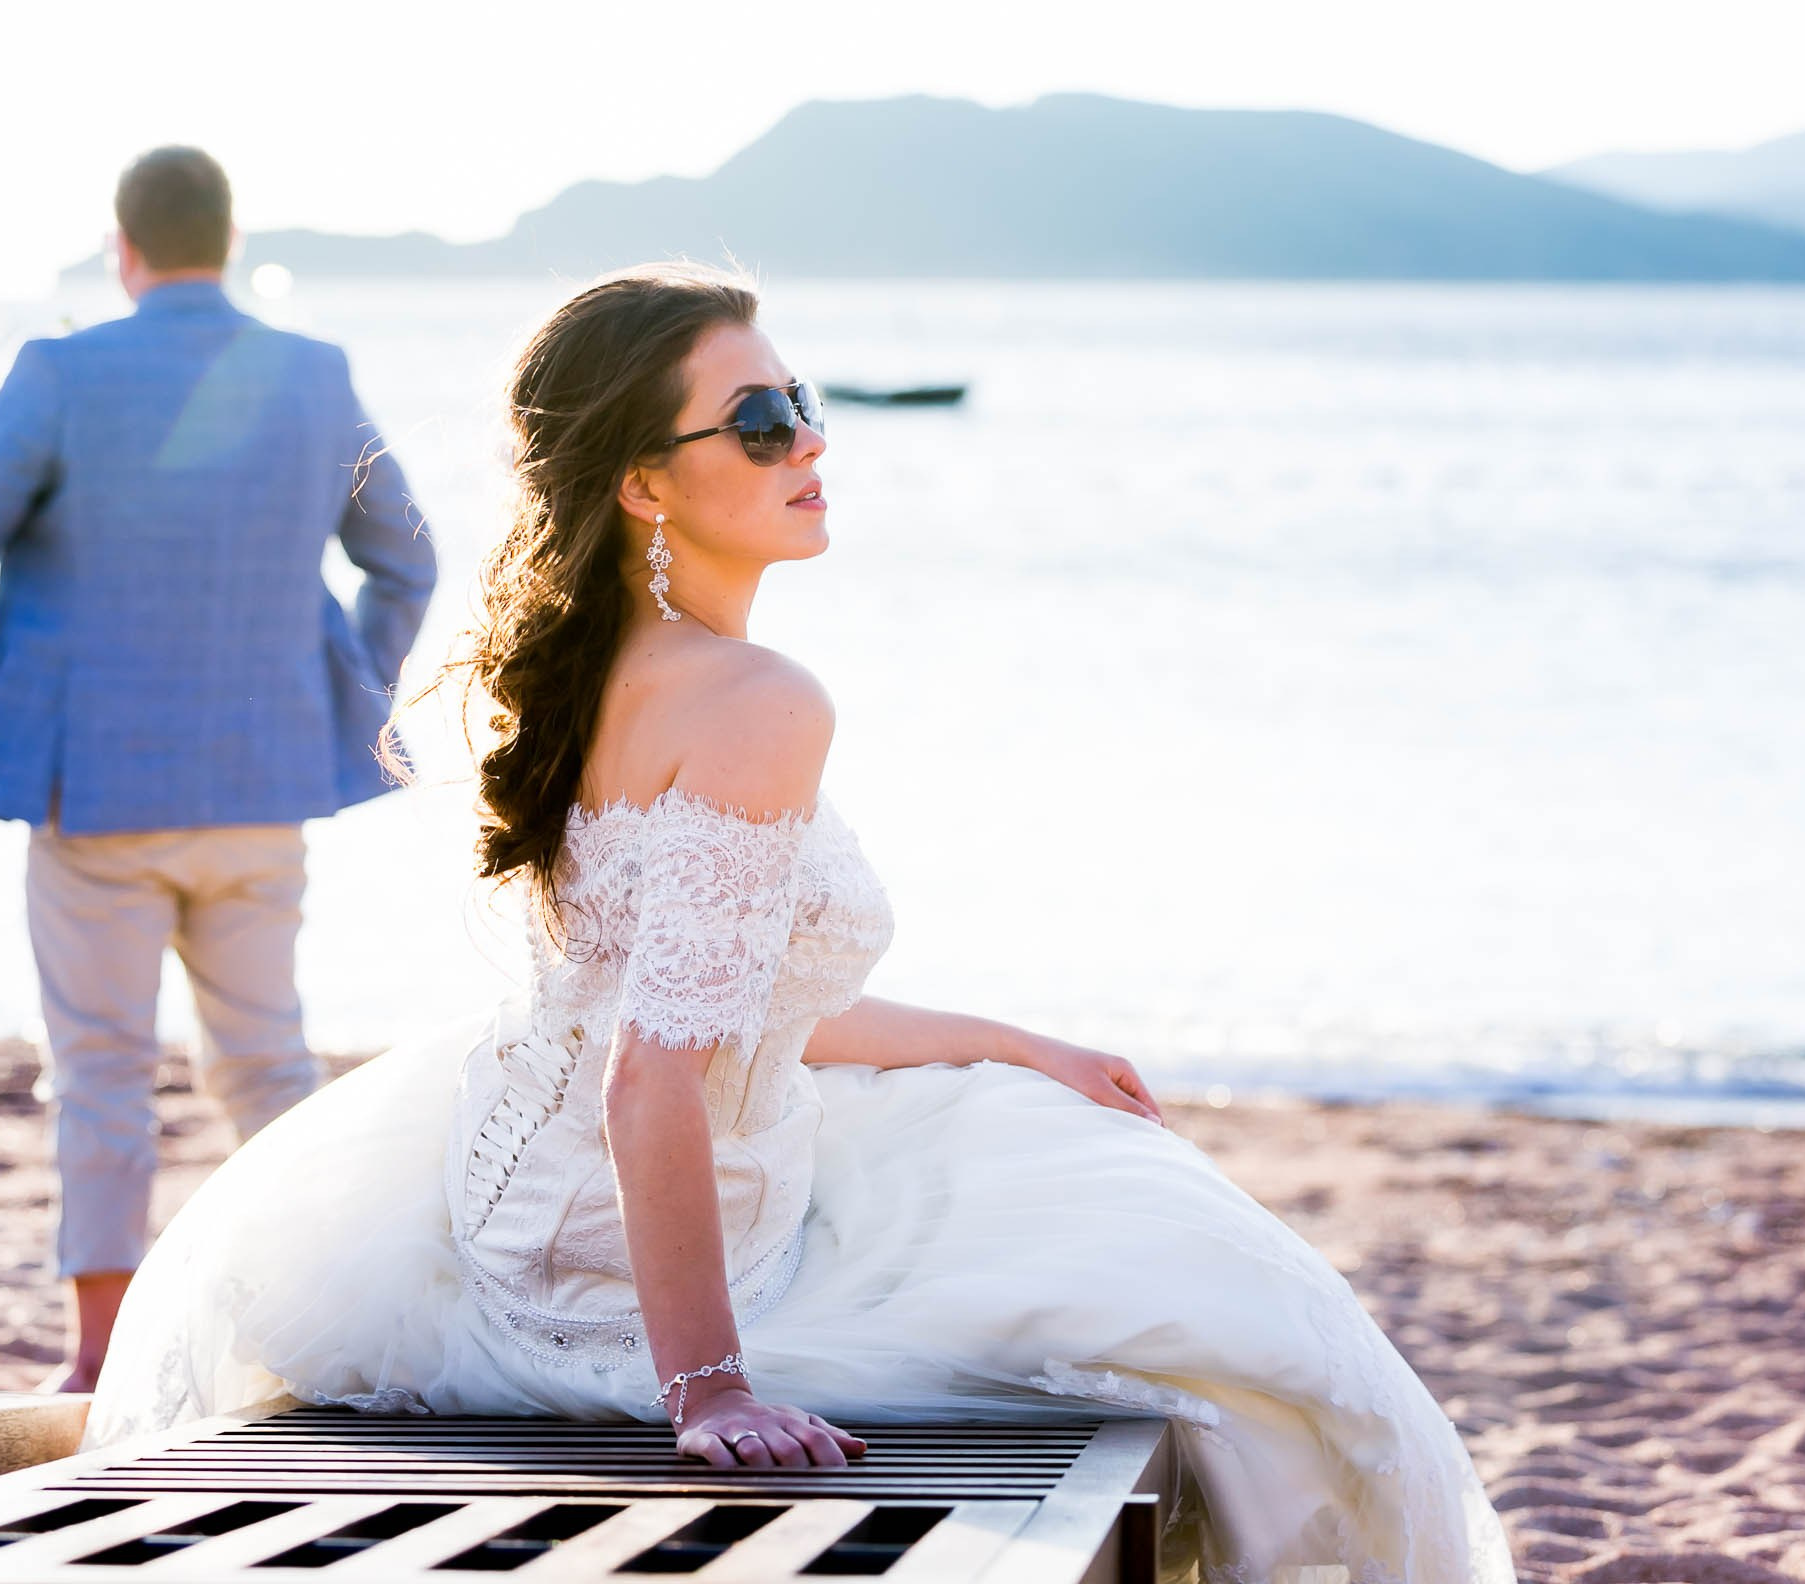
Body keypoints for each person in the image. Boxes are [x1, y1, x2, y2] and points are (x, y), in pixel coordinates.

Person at [80, 265, 1513, 1581]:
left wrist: (1015, 1041)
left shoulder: (605, 670)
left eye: (804, 405)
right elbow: (659, 1072)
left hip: (526, 1187)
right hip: (635, 1243)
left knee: (1035, 1121)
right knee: (1208, 1302)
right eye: (759, 422)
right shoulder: (759, 704)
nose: (811, 443)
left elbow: (724, 1011)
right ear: (645, 483)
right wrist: (707, 1385)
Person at [0, 147, 437, 1394]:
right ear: (230, 239)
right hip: (263, 786)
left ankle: (97, 1357)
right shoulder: (315, 376)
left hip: (90, 793)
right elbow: (406, 561)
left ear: (122, 247)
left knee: (100, 1070)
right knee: (272, 1066)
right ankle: (320, 1336)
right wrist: (334, 696)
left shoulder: (56, 371)